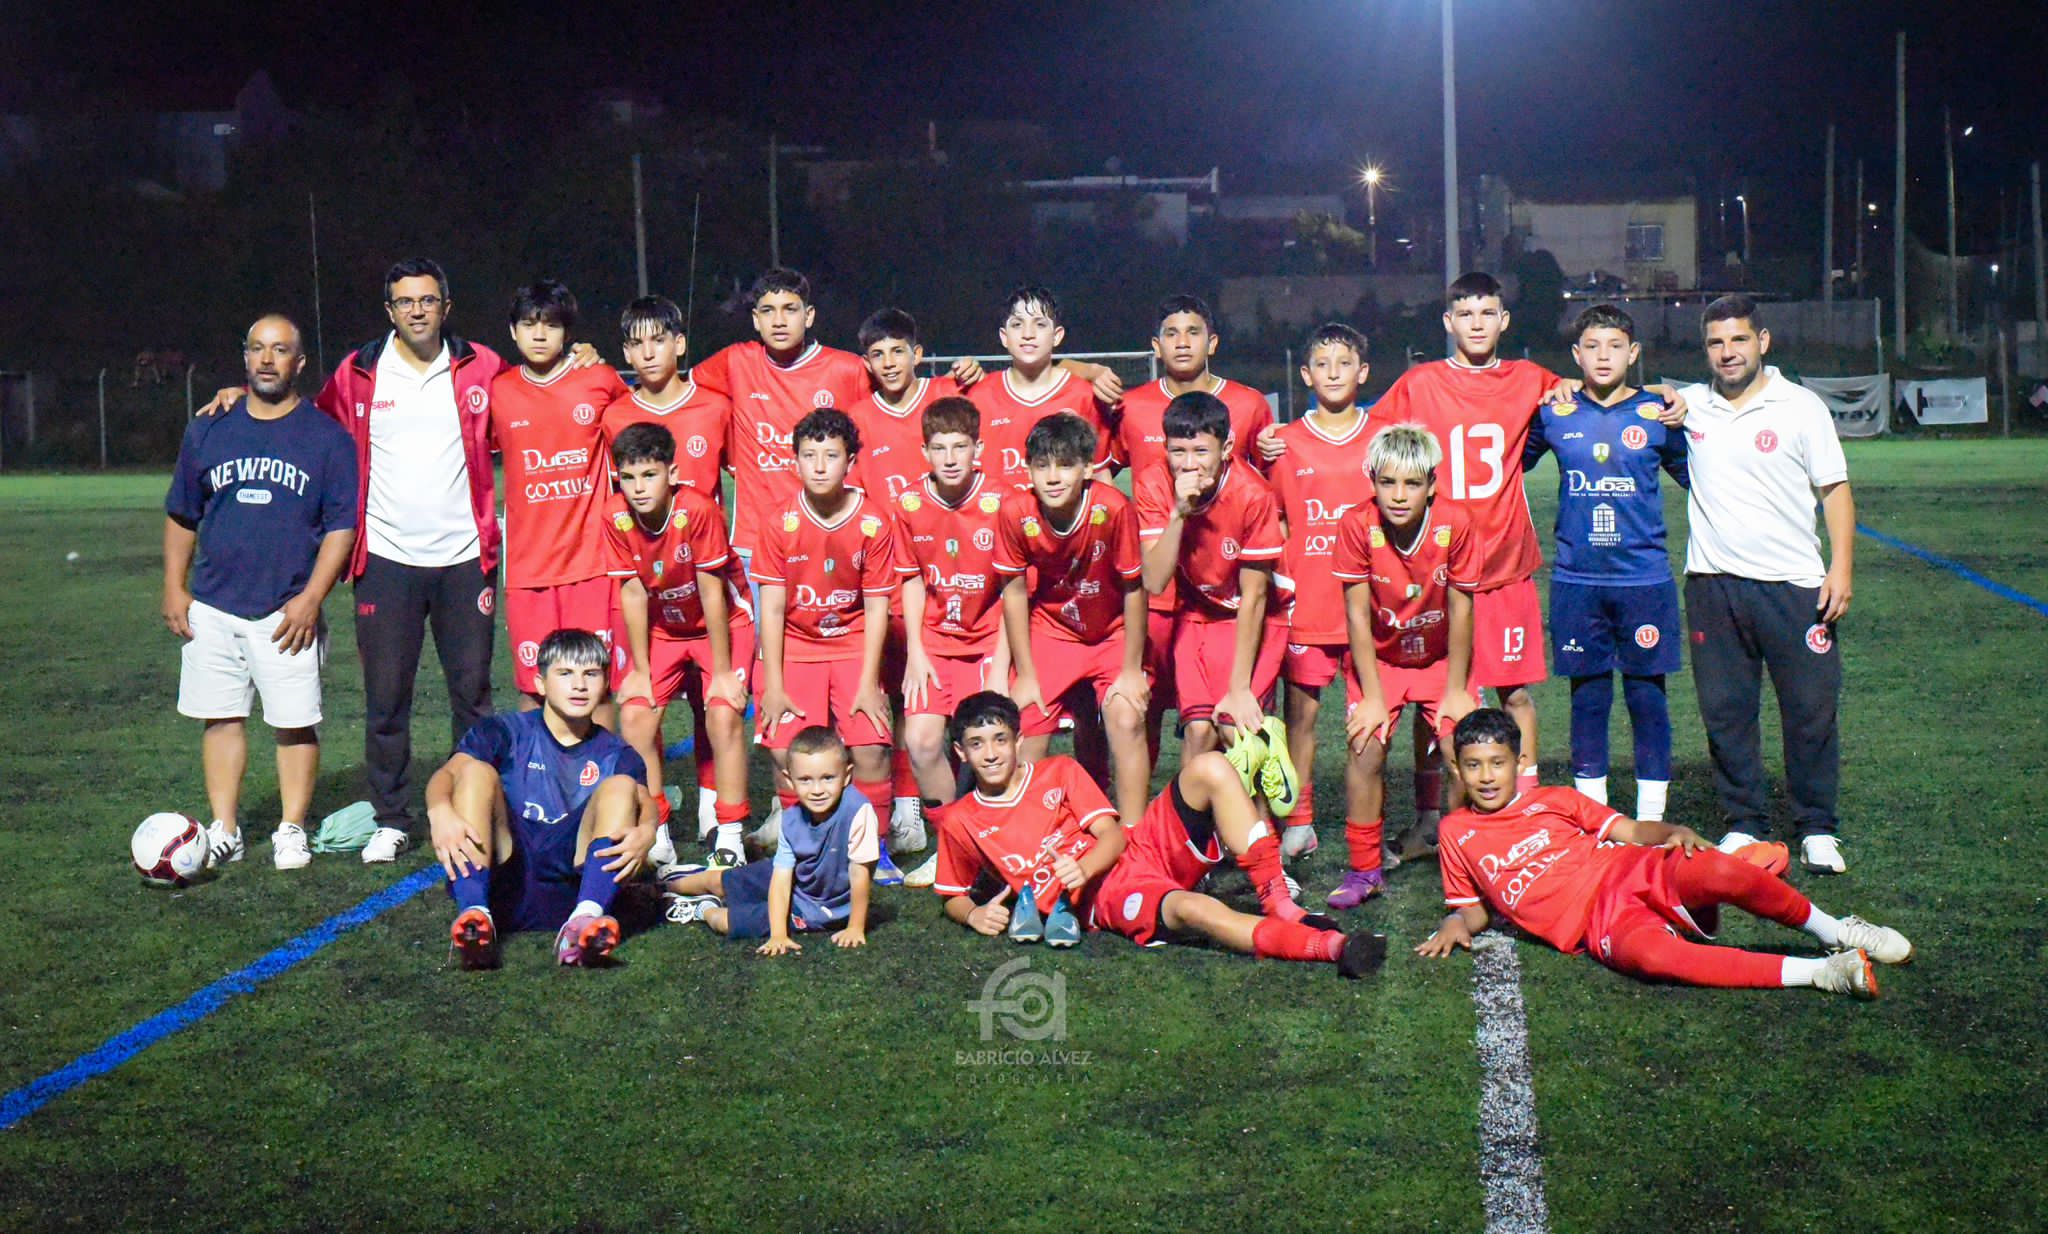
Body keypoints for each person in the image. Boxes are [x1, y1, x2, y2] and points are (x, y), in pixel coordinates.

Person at [1368, 274, 1684, 794]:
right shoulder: (1419, 382)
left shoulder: (1533, 379)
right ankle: (1431, 817)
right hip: (1436, 571)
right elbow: (1371, 441)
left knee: (1513, 693)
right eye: (1465, 315)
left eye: (1487, 313)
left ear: (1503, 320)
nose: (1476, 324)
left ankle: (1529, 805)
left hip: (1505, 568)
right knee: (1435, 702)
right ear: (1448, 323)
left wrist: (1660, 393)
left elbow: (1601, 391)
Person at [1417, 710, 1911, 998]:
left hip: (1628, 868)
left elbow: (1628, 830)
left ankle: (1836, 929)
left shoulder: (1555, 799)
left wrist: (1673, 830)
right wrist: (1455, 925)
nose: (1486, 776)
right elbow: (1471, 907)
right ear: (1457, 771)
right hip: (1597, 924)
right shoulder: (1457, 832)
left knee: (1716, 869)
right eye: (1474, 766)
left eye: (1497, 764)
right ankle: (1823, 973)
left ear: (1518, 763)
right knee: (1653, 957)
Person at [933, 693, 1383, 976]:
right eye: (977, 744)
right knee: (1192, 908)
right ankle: (1331, 947)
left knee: (1208, 766)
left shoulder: (1059, 771)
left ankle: (1281, 905)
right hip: (1105, 897)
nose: (990, 753)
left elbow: (1111, 835)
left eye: (999, 739)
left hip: (1136, 848)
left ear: (1017, 740)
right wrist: (971, 915)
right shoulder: (961, 820)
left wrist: (1081, 864)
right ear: (960, 752)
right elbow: (952, 892)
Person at [162, 314, 357, 871]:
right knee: (220, 716)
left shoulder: (326, 438)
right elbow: (181, 513)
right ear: (244, 358)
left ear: (300, 363)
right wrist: (174, 587)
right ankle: (225, 828)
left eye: (280, 350)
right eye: (257, 349)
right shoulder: (208, 428)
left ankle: (291, 827)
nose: (267, 360)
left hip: (286, 608)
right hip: (214, 605)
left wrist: (313, 598)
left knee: (294, 722)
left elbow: (341, 526)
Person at [1677, 295, 1856, 874]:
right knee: (1726, 712)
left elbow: (1835, 491)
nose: (1727, 352)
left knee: (1810, 709)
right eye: (1715, 342)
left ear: (1763, 342)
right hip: (1713, 585)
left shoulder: (1801, 407)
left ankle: (1817, 827)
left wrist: (1842, 568)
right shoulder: (1688, 406)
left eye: (1738, 340)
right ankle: (1744, 823)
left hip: (1794, 586)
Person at [1523, 304, 1689, 822]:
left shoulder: (1658, 413)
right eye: (1591, 346)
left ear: (1633, 353)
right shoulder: (1554, 412)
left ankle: (1651, 818)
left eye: (1614, 346)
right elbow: (1507, 463)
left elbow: (1703, 481)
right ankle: (1594, 819)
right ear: (1575, 355)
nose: (1603, 356)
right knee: (1588, 699)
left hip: (1644, 581)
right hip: (1577, 581)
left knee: (1647, 698)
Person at [429, 629, 656, 969]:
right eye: (565, 674)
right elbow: (445, 776)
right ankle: (475, 915)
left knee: (621, 785)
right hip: (505, 879)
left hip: (573, 886)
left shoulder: (617, 753)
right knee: (474, 773)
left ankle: (583, 923)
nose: (579, 685)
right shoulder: (503, 732)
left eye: (591, 674)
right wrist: (439, 810)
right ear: (540, 683)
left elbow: (645, 800)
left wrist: (649, 830)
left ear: (605, 683)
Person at [748, 408, 906, 882]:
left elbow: (878, 607)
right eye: (809, 455)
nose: (819, 466)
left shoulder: (874, 521)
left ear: (850, 461)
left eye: (831, 456)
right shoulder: (779, 523)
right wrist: (773, 686)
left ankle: (874, 851)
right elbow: (771, 610)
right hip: (795, 646)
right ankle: (804, 846)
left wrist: (869, 683)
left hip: (854, 642)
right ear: (794, 461)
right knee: (786, 749)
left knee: (872, 745)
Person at [603, 295, 736, 848]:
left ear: (681, 344)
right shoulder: (614, 413)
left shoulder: (716, 407)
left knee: (717, 705)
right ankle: (651, 817)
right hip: (648, 587)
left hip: (707, 580)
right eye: (635, 342)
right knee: (640, 707)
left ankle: (714, 805)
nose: (647, 351)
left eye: (659, 339)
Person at [1328, 425, 1480, 908]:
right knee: (1365, 748)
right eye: (1388, 482)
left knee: (1462, 747)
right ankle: (1364, 868)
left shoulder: (1457, 521)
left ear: (1432, 484)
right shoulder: (1356, 524)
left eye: (1412, 484)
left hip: (1439, 658)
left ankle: (1462, 866)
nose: (1398, 495)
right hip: (1382, 659)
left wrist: (1456, 690)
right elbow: (1355, 614)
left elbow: (1461, 609)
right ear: (1372, 480)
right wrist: (1372, 698)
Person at [602, 424, 755, 867]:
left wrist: (724, 673)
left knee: (723, 714)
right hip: (663, 628)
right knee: (634, 717)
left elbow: (713, 592)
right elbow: (631, 592)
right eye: (628, 478)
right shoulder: (614, 514)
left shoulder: (699, 509)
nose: (638, 488)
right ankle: (657, 830)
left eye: (648, 475)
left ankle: (730, 832)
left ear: (672, 473)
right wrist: (640, 671)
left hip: (721, 624)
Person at [994, 413, 1151, 827]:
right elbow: (1013, 592)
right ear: (1027, 469)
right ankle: (1025, 836)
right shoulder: (1015, 511)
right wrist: (1025, 673)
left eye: (1064, 464)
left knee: (1126, 716)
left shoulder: (1114, 507)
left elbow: (1135, 589)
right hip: (1053, 630)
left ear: (1086, 467)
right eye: (1041, 465)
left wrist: (1132, 669)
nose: (1052, 476)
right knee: (1025, 729)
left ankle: (1134, 841)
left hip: (1111, 633)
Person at [489, 280, 629, 705]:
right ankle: (536, 773)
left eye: (550, 325)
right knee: (534, 687)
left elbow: (639, 434)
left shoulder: (599, 380)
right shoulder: (499, 391)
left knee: (597, 684)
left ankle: (604, 773)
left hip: (593, 565)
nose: (538, 334)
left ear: (567, 333)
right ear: (512, 331)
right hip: (529, 571)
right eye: (528, 324)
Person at [1266, 323, 1376, 859]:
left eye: (1344, 362)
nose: (1334, 373)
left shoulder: (1382, 440)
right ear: (1306, 375)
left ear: (1364, 372)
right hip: (1307, 604)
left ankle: (1371, 824)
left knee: (1369, 722)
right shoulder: (1283, 442)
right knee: (1301, 715)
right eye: (1323, 364)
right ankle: (1299, 821)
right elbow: (1272, 520)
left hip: (1371, 608)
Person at [891, 396, 1009, 885]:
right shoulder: (910, 504)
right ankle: (953, 846)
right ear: (925, 452)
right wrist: (915, 652)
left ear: (978, 449)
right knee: (920, 742)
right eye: (940, 448)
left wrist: (1003, 661)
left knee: (989, 749)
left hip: (988, 645)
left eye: (961, 446)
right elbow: (911, 579)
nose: (951, 458)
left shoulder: (1002, 502)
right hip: (935, 644)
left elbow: (1014, 587)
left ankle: (998, 843)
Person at [1135, 391, 1288, 762]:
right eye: (1178, 452)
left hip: (1253, 615)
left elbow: (1254, 597)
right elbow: (1154, 581)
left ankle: (1258, 819)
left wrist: (1239, 688)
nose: (1189, 465)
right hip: (1197, 613)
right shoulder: (1153, 483)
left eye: (1201, 451)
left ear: (1227, 447)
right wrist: (1178, 514)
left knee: (1235, 727)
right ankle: (1190, 822)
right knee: (1199, 733)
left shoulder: (1253, 494)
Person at [661, 726, 876, 953]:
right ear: (789, 780)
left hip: (816, 908)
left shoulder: (858, 811)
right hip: (796, 881)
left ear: (847, 776)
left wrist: (854, 927)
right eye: (805, 780)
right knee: (721, 881)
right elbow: (781, 878)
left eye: (828, 778)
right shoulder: (791, 818)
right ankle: (663, 888)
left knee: (724, 922)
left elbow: (859, 874)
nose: (817, 789)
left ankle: (700, 908)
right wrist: (778, 935)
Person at [968, 284, 1117, 490]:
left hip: (1062, 523)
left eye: (1039, 324)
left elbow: (1099, 474)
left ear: (1057, 336)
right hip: (997, 520)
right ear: (1004, 337)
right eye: (1017, 324)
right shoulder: (980, 396)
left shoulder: (1083, 396)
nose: (1028, 334)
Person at [1111, 294, 1277, 476]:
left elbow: (1273, 477)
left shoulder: (1249, 404)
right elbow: (1097, 475)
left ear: (1212, 344)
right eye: (1172, 334)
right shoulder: (1129, 408)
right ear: (1157, 347)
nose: (1182, 343)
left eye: (1193, 333)